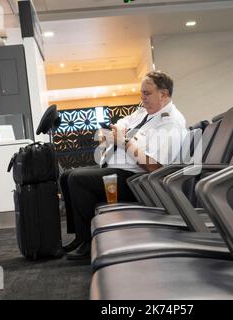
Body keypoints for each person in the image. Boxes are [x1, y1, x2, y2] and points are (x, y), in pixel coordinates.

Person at [60, 71, 186, 259]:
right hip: (121, 170)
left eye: (147, 93)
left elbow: (154, 167)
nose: (142, 98)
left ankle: (88, 241)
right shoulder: (146, 112)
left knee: (78, 180)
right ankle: (80, 234)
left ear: (164, 94)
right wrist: (119, 129)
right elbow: (124, 121)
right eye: (142, 93)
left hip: (138, 181)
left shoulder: (171, 122)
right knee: (66, 175)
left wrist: (125, 142)